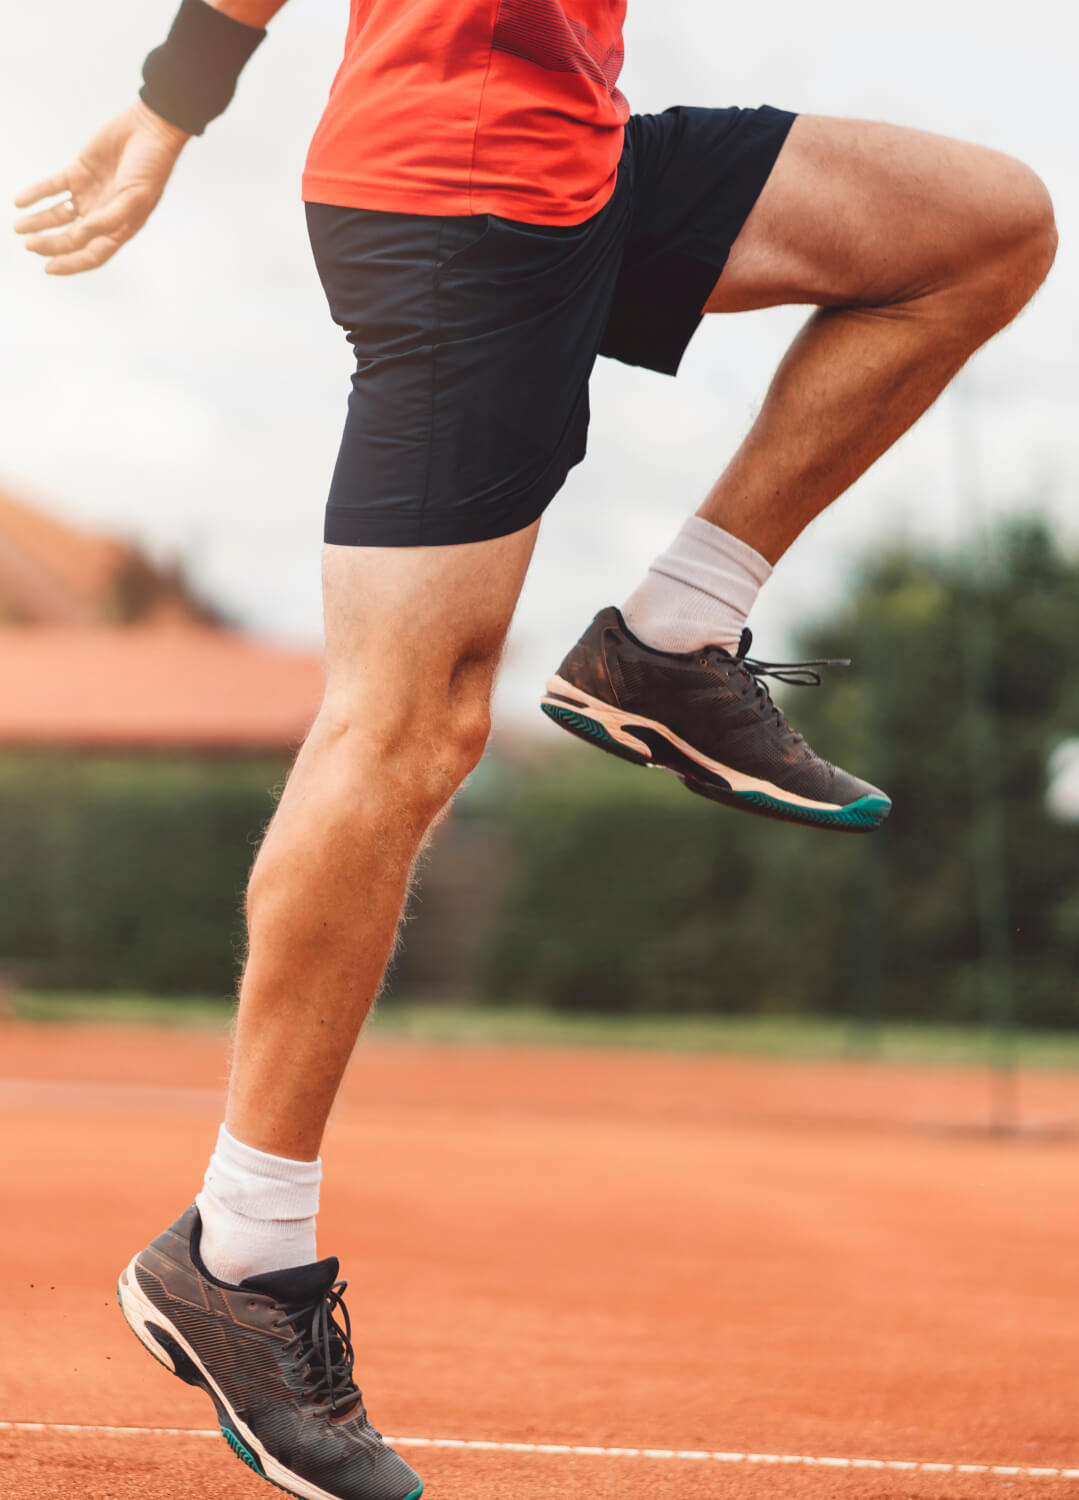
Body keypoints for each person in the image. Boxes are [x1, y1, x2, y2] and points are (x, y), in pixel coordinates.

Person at [14, 1, 1056, 1496]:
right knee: (407, 727)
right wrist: (172, 106)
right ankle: (238, 1253)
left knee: (986, 226)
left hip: (578, 161)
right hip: (452, 199)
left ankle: (675, 636)